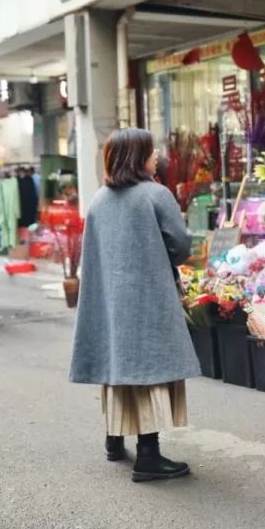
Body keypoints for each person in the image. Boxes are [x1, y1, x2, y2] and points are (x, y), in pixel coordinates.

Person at [69, 128, 200, 483]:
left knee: (119, 364)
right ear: (137, 156)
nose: (156, 153)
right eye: (150, 149)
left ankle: (114, 439)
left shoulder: (98, 200)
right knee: (150, 370)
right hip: (148, 296)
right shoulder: (155, 195)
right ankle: (148, 455)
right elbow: (181, 245)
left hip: (109, 299)